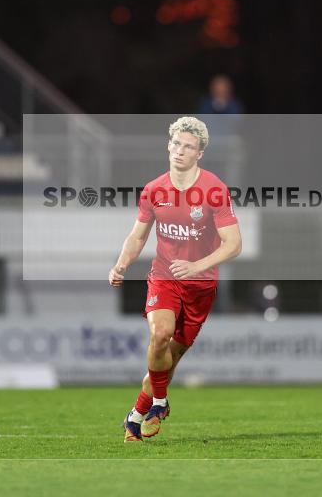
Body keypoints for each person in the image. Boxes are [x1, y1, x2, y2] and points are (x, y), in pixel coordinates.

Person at [108, 116, 242, 442]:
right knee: (159, 336)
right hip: (164, 277)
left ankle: (137, 414)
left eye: (189, 147)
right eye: (177, 144)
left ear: (200, 154)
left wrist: (197, 266)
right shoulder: (154, 190)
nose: (180, 151)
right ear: (169, 146)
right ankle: (159, 401)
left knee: (170, 359)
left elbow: (234, 244)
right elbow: (138, 236)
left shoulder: (213, 190)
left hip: (200, 285)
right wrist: (121, 264)